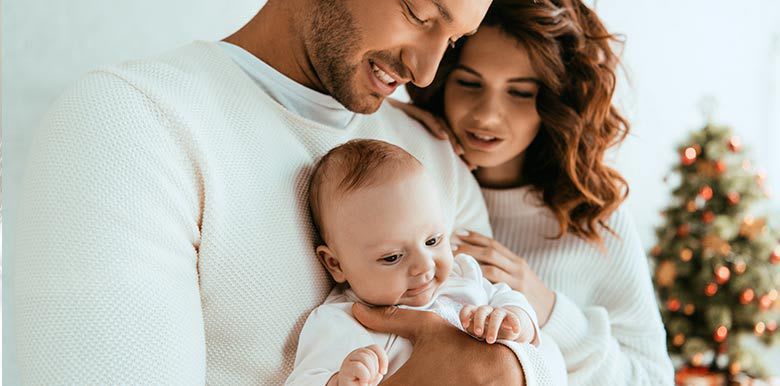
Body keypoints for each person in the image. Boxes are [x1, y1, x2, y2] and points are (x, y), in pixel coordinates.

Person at [10, 0, 567, 384]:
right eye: (419, 12)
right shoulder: (132, 124)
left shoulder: (430, 153)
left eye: (452, 40)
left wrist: (513, 369)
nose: (425, 72)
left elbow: (529, 354)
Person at [392, 0, 676, 384]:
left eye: (520, 93)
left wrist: (546, 308)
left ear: (553, 103)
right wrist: (394, 123)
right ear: (442, 81)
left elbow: (652, 380)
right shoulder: (411, 180)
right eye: (469, 83)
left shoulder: (594, 218)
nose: (487, 115)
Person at [287, 139, 539, 386]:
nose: (424, 266)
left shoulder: (463, 274)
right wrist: (340, 381)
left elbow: (513, 302)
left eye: (432, 241)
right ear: (335, 264)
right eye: (392, 257)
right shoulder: (339, 322)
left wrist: (512, 321)